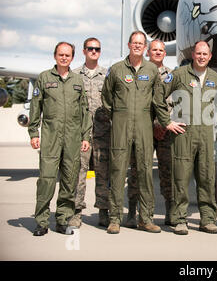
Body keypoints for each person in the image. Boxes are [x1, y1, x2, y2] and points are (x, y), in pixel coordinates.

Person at [101, 31, 184, 234]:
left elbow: (158, 101)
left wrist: (165, 122)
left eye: (141, 43)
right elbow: (106, 98)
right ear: (129, 45)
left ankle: (145, 219)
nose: (137, 46)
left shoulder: (152, 71)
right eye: (134, 43)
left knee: (146, 172)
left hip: (145, 127)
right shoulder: (116, 70)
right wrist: (118, 117)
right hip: (121, 127)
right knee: (118, 172)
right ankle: (115, 219)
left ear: (143, 47)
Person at [153, 40, 217, 235]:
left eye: (205, 54)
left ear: (210, 57)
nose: (201, 57)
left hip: (206, 136)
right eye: (198, 53)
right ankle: (179, 220)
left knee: (207, 178)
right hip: (183, 135)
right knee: (180, 179)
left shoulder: (214, 78)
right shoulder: (178, 75)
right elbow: (158, 96)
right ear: (193, 54)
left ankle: (208, 219)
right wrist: (166, 121)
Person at [29, 42, 92, 236]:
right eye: (61, 54)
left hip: (73, 138)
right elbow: (35, 107)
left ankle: (63, 220)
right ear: (55, 56)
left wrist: (85, 136)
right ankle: (41, 221)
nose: (64, 58)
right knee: (46, 179)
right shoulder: (44, 78)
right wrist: (34, 133)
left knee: (69, 181)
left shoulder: (77, 80)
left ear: (72, 57)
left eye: (67, 55)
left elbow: (84, 110)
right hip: (50, 137)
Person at [126, 39, 175, 228]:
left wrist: (162, 124)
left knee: (167, 172)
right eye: (154, 49)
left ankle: (170, 211)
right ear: (148, 52)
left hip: (165, 132)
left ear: (165, 53)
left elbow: (175, 102)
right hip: (142, 130)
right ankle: (132, 212)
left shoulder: (171, 75)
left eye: (161, 50)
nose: (158, 53)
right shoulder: (140, 72)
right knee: (138, 171)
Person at [68, 38, 111, 228]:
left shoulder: (107, 76)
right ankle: (76, 213)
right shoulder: (74, 75)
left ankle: (104, 211)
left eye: (97, 49)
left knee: (104, 174)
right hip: (82, 135)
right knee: (79, 174)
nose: (94, 51)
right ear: (84, 51)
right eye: (90, 48)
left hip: (103, 134)